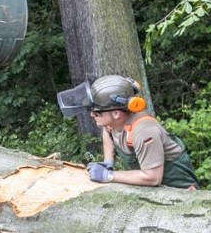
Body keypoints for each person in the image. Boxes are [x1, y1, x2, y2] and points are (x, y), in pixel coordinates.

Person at [57, 75, 199, 189]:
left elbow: (153, 177)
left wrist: (109, 176)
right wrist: (108, 162)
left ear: (116, 113)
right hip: (151, 190)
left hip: (178, 189)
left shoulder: (144, 132)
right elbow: (107, 132)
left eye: (97, 113)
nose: (92, 115)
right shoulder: (112, 123)